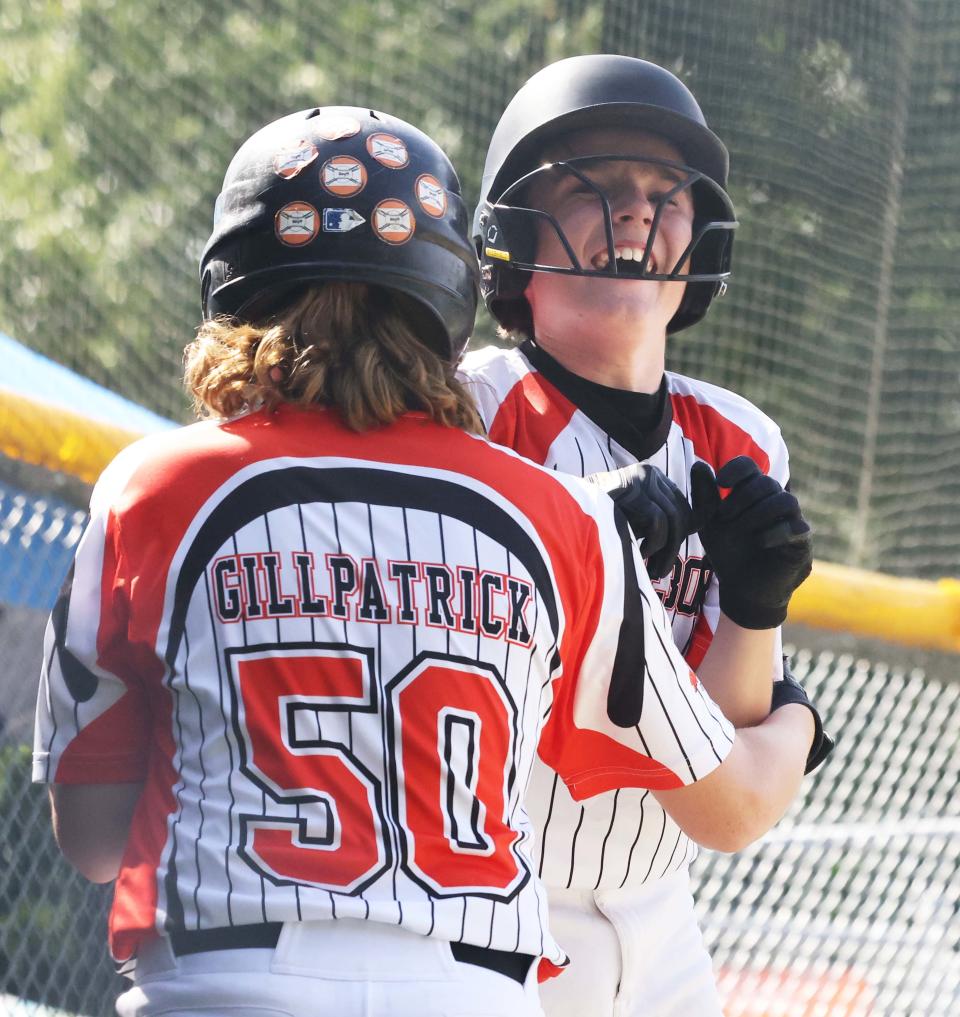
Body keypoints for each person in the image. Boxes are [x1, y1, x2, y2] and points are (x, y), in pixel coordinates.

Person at [33, 105, 821, 1017]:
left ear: (228, 288)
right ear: (457, 295)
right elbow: (733, 803)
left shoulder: (153, 485)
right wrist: (792, 705)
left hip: (221, 983)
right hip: (473, 987)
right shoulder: (558, 516)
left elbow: (92, 839)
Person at [460, 54, 833, 1017]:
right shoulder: (471, 410)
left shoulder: (742, 437)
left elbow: (726, 737)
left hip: (665, 914)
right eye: (597, 185)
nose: (636, 213)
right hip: (492, 902)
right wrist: (576, 552)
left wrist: (753, 609)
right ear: (513, 233)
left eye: (665, 193)